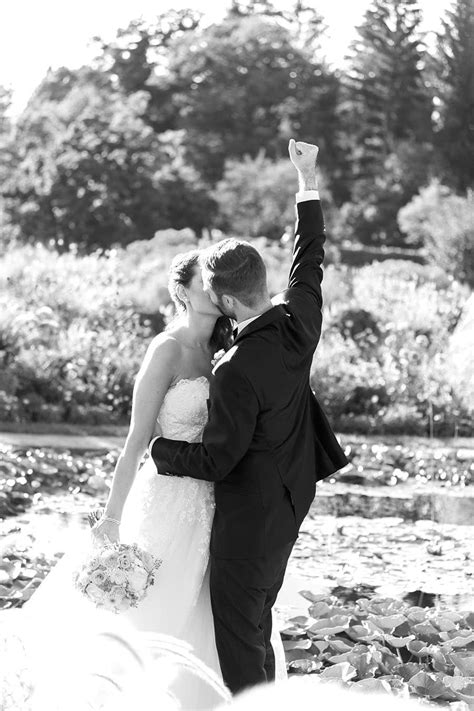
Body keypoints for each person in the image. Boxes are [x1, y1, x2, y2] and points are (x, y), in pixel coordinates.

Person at [149, 139, 348, 695]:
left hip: (248, 522)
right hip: (290, 505)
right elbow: (310, 258)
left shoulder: (235, 367)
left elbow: (217, 459)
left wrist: (160, 451)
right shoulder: (298, 321)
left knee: (240, 644)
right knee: (257, 629)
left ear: (228, 302)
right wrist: (306, 181)